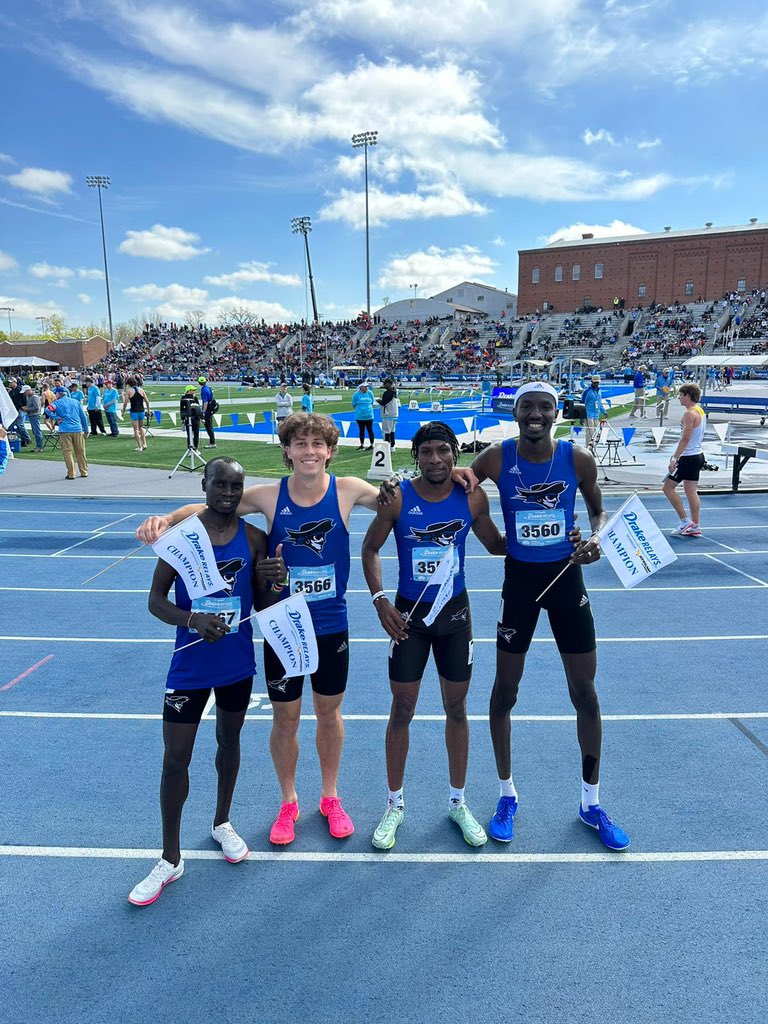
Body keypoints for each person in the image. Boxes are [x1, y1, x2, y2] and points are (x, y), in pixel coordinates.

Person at [136, 413, 387, 846]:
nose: (310, 451)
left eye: (317, 444)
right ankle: (288, 802)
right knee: (285, 718)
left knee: (329, 714)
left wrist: (460, 473)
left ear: (330, 450)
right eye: (300, 443)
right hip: (282, 624)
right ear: (287, 450)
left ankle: (330, 797)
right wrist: (167, 517)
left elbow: (396, 501)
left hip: (331, 625)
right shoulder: (271, 496)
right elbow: (214, 505)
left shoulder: (347, 489)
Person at [469, 381, 630, 851]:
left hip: (566, 584)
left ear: (556, 413)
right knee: (504, 692)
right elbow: (460, 488)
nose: (535, 414)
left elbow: (599, 513)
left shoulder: (578, 460)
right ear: (515, 413)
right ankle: (506, 796)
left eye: (544, 407)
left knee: (586, 693)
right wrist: (489, 536)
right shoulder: (497, 458)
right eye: (527, 408)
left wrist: (595, 540)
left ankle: (591, 803)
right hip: (519, 584)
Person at [128, 458, 286, 906]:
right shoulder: (181, 539)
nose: (229, 492)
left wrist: (276, 581)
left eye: (237, 486)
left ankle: (222, 823)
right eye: (221, 484)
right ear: (205, 484)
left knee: (229, 742)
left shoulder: (256, 539)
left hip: (236, 664)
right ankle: (170, 858)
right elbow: (155, 602)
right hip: (190, 666)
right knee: (176, 758)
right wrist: (191, 618)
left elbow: (269, 601)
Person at [362, 422, 505, 850]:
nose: (435, 459)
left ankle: (458, 802)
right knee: (402, 707)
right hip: (408, 618)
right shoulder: (397, 497)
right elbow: (369, 548)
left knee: (456, 707)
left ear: (456, 454)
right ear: (416, 457)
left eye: (443, 450)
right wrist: (380, 601)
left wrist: (554, 531)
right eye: (426, 452)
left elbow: (498, 545)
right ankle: (394, 805)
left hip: (455, 617)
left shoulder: (472, 496)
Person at [662, 382, 706, 538]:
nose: (679, 398)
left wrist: (675, 458)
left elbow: (685, 439)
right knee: (691, 491)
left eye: (681, 395)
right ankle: (696, 525)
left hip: (688, 457)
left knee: (667, 488)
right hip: (698, 455)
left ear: (687, 396)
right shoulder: (699, 411)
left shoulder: (689, 414)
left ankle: (684, 521)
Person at [51, 385, 89, 479]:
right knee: (80, 451)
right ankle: (84, 471)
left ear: (58, 394)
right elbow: (83, 416)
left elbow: (48, 410)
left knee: (68, 452)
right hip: (77, 429)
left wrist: (57, 417)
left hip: (65, 430)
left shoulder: (56, 403)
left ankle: (71, 473)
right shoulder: (75, 402)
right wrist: (86, 429)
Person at [122, 376, 150, 451]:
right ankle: (145, 444)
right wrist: (148, 410)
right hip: (142, 411)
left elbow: (125, 403)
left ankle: (140, 446)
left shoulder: (129, 391)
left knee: (135, 429)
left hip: (134, 411)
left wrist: (123, 412)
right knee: (141, 427)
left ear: (128, 383)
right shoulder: (141, 390)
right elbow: (147, 401)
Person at [580, 375, 607, 448]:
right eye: (595, 383)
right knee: (590, 433)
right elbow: (582, 404)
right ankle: (588, 449)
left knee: (596, 433)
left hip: (596, 414)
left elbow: (599, 403)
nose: (596, 384)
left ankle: (593, 448)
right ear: (591, 382)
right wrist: (582, 416)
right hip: (588, 414)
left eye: (598, 383)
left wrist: (604, 412)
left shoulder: (599, 391)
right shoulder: (587, 391)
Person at [7, 378, 30, 447]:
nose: (10, 384)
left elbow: (24, 399)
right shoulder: (11, 392)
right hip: (15, 410)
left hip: (20, 409)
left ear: (15, 382)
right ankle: (22, 440)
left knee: (20, 425)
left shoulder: (20, 390)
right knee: (17, 426)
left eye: (11, 382)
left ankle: (27, 438)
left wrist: (24, 406)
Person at [352, 380, 375, 450]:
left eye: (367, 387)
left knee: (370, 430)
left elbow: (372, 402)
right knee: (361, 430)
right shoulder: (356, 395)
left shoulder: (370, 393)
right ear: (361, 387)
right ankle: (362, 444)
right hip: (360, 416)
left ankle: (371, 444)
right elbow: (354, 404)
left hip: (369, 415)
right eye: (365, 387)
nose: (366, 388)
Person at [20, 385, 44, 452]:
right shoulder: (30, 397)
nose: (24, 394)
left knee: (37, 431)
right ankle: (38, 446)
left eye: (25, 392)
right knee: (35, 431)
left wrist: (27, 409)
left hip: (35, 415)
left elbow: (36, 408)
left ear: (28, 390)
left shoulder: (34, 397)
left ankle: (39, 446)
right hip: (32, 415)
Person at [378, 377, 399, 449]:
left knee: (386, 431)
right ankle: (392, 446)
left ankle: (386, 446)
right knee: (392, 431)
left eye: (385, 384)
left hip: (388, 414)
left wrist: (379, 401)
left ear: (388, 384)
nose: (384, 385)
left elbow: (384, 403)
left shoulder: (387, 393)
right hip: (394, 414)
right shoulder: (394, 392)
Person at [180, 386, 202, 450]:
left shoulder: (194, 397)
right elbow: (182, 409)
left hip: (195, 418)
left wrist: (201, 417)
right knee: (191, 435)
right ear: (189, 390)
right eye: (193, 390)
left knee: (194, 435)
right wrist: (183, 419)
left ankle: (194, 448)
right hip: (189, 418)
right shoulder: (184, 398)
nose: (194, 391)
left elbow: (198, 408)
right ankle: (191, 448)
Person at [199, 375, 217, 448]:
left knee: (208, 427)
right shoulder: (208, 388)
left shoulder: (203, 390)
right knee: (210, 426)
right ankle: (212, 441)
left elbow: (205, 402)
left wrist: (203, 412)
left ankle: (212, 443)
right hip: (211, 408)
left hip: (208, 410)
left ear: (199, 383)